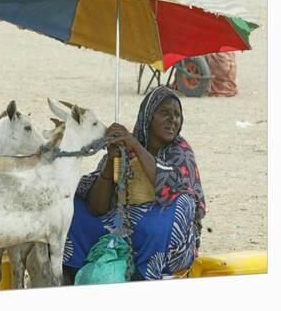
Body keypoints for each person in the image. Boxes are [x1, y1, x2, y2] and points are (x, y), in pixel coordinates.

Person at [62, 86, 206, 282]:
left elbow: (170, 187)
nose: (173, 120)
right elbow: (97, 208)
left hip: (164, 244)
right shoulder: (124, 146)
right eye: (165, 113)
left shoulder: (180, 151)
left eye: (177, 115)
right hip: (121, 228)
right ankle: (73, 274)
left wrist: (136, 148)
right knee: (75, 207)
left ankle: (144, 278)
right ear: (147, 116)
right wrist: (111, 161)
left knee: (182, 202)